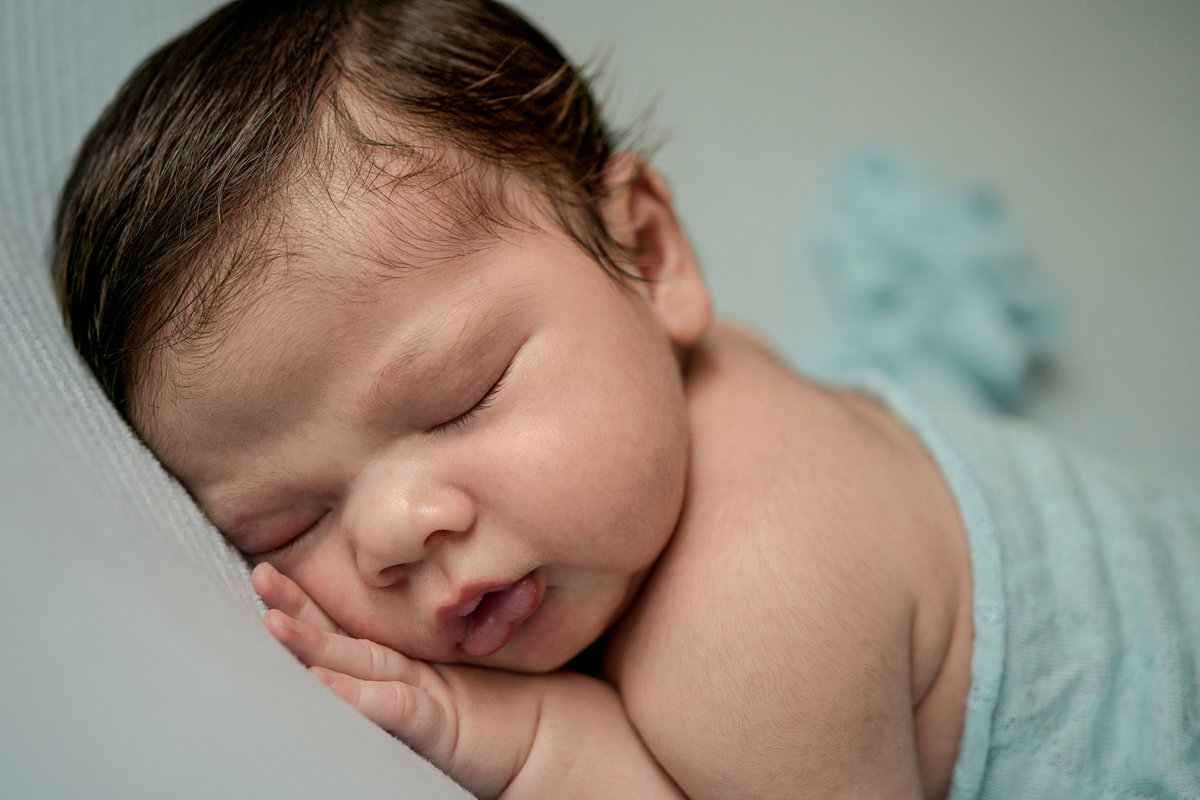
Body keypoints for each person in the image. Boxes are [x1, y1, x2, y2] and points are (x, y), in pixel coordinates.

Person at [52, 1, 1200, 797]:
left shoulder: (755, 614)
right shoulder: (666, 414)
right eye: (286, 523)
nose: (403, 528)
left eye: (461, 396)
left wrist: (518, 740)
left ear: (648, 255)